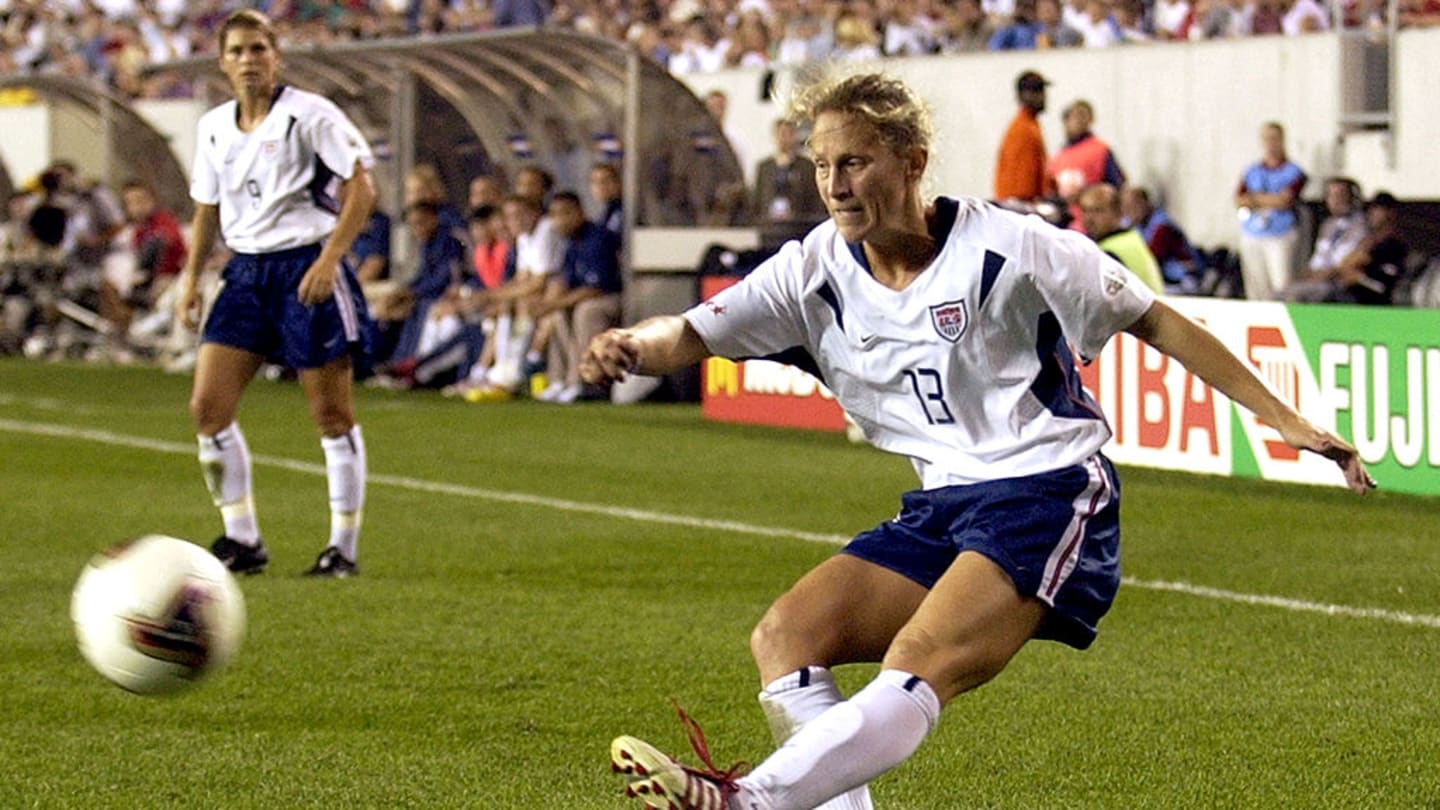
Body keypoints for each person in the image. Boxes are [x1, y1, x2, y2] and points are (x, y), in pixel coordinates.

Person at [582, 72, 1375, 810]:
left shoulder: (1013, 247)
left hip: (1048, 489)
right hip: (945, 500)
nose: (834, 183)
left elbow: (1156, 317)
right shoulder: (812, 268)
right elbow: (688, 331)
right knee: (787, 635)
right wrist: (632, 343)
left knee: (919, 658)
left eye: (854, 161)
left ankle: (750, 799)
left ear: (912, 162)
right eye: (822, 165)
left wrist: (1282, 418)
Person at [174, 9, 377, 578]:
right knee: (207, 409)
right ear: (222, 62)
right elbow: (206, 207)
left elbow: (362, 186)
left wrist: (331, 258)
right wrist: (191, 280)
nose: (248, 60)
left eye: (258, 49)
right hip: (245, 274)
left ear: (276, 55)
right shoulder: (213, 125)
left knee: (331, 414)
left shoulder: (310, 115)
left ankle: (343, 548)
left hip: (305, 269)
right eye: (237, 50)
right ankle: (242, 538)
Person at [532, 191, 623, 403]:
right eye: (554, 215)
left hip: (612, 298)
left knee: (585, 311)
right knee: (558, 313)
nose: (559, 221)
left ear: (579, 212)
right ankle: (559, 380)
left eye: (565, 213)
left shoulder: (598, 238)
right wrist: (548, 303)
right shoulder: (571, 242)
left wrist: (554, 303)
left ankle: (581, 382)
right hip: (585, 297)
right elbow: (565, 281)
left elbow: (596, 288)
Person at [1234, 121, 1307, 300]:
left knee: (1281, 284)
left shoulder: (1294, 172)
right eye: (1267, 139)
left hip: (1279, 234)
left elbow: (1285, 201)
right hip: (1252, 233)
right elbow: (1239, 199)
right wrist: (1270, 199)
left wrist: (1256, 198)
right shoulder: (1252, 171)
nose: (1271, 143)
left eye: (1275, 138)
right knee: (1256, 285)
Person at [1282, 177, 1368, 303]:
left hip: (1342, 283)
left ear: (1353, 198)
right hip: (1319, 279)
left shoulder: (1363, 226)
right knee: (1279, 294)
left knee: (1303, 295)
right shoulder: (1328, 226)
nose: (1335, 201)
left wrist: (1322, 276)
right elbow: (1318, 261)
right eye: (1331, 196)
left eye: (1340, 195)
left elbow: (1349, 264)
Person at [1048, 99, 1125, 231]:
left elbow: (1116, 186)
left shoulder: (1100, 150)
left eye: (1084, 116)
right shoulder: (1057, 158)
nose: (1080, 121)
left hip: (1096, 226)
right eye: (1076, 116)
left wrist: (1087, 197)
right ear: (1065, 121)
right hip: (1067, 225)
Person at [1321, 192, 1408, 306]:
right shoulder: (1368, 241)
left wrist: (1356, 275)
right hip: (1353, 291)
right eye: (1372, 209)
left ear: (1391, 213)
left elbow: (1382, 282)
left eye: (1379, 209)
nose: (1373, 214)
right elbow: (1346, 264)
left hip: (1377, 297)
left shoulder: (1392, 244)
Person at [1077, 183, 1164, 291]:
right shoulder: (1131, 236)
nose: (1089, 218)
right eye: (1085, 210)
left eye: (1097, 211)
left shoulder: (1110, 253)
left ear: (1117, 213)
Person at [1121, 185, 1202, 292]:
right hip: (1163, 280)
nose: (1129, 212)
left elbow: (1150, 258)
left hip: (1183, 280)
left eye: (1132, 206)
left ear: (1145, 203)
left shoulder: (1162, 226)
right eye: (1125, 208)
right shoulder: (1136, 226)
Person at [752, 119, 826, 226]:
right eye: (780, 134)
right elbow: (758, 199)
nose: (783, 138)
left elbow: (814, 199)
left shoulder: (806, 166)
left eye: (787, 133)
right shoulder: (764, 167)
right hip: (770, 226)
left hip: (799, 224)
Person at [993, 70, 1052, 203]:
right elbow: (1021, 188)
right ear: (1022, 95)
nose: (1043, 97)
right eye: (1037, 91)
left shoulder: (1029, 125)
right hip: (1020, 205)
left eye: (1041, 91)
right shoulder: (1023, 129)